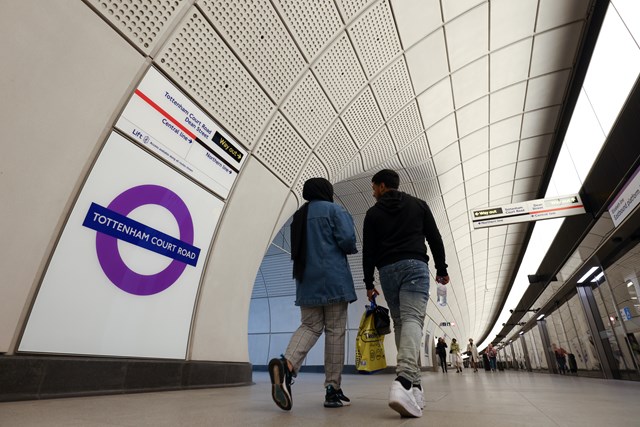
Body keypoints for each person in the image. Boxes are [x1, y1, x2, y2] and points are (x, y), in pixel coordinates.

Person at [362, 169, 449, 418]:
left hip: (387, 270)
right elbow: (435, 238)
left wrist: (369, 282)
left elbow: (368, 251)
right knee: (412, 320)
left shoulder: (373, 213)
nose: (373, 193)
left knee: (402, 323)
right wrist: (441, 268)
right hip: (414, 266)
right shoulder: (419, 205)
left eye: (373, 188)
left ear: (381, 186)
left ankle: (417, 387)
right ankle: (404, 382)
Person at [268, 178, 358, 411]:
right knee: (335, 331)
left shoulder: (299, 216)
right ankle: (332, 389)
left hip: (306, 281)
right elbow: (348, 241)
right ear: (326, 192)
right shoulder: (334, 210)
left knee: (309, 326)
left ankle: (287, 365)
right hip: (334, 280)